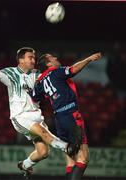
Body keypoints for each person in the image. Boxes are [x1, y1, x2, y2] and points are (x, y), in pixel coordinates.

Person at [0, 47, 77, 178]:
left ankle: (25, 165)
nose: (33, 60)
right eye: (30, 57)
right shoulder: (10, 73)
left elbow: (53, 76)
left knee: (43, 152)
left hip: (36, 116)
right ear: (21, 60)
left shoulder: (37, 74)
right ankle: (66, 146)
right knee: (42, 132)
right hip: (20, 117)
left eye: (34, 57)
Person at [28, 52, 101, 180]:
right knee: (83, 158)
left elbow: (34, 97)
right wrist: (89, 59)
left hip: (59, 119)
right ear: (48, 64)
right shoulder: (56, 71)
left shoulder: (40, 81)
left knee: (71, 160)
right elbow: (73, 69)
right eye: (52, 58)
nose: (56, 58)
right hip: (71, 116)